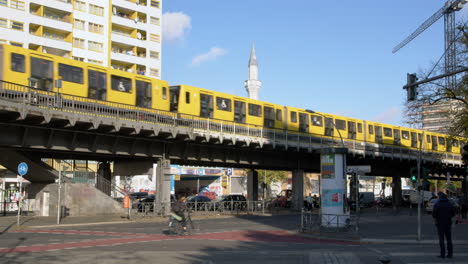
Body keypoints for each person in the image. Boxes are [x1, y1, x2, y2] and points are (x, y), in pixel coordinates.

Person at [432, 192, 456, 259]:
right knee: (449, 239)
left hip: (440, 224)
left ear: (440, 197)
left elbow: (434, 214)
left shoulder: (437, 204)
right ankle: (450, 254)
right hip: (448, 223)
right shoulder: (449, 204)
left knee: (441, 239)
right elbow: (453, 213)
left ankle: (442, 254)